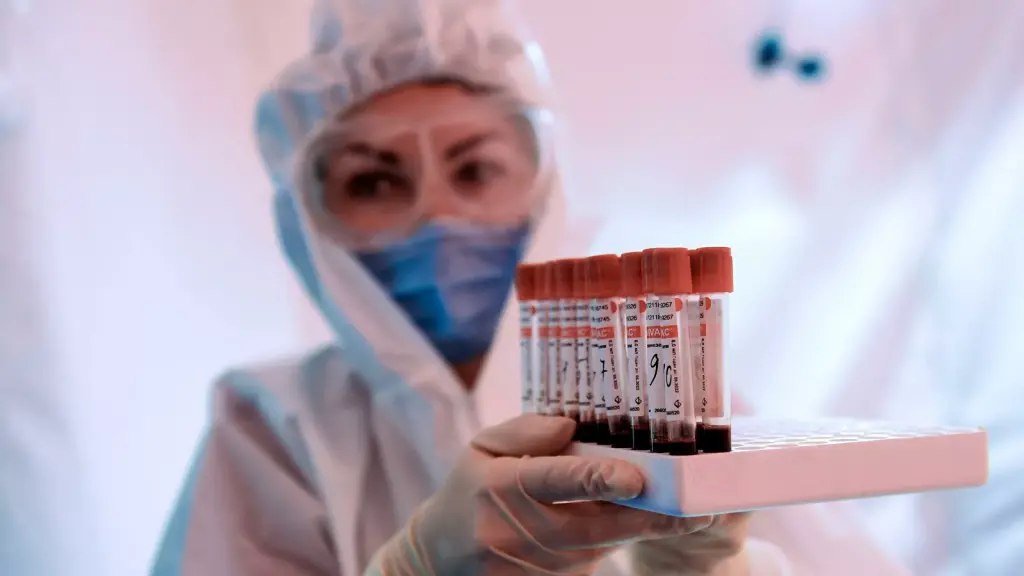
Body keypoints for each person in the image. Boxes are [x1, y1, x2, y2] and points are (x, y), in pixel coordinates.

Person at [150, 0, 914, 574]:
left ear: (546, 182)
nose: (438, 215)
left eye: (477, 168)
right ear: (311, 221)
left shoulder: (664, 393)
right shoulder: (272, 427)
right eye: (374, 181)